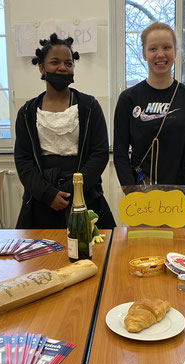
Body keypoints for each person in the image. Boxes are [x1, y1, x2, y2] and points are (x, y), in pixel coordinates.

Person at [14, 33, 116, 229]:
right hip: (41, 200)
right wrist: (48, 194)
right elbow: (23, 160)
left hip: (84, 195)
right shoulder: (27, 112)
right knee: (42, 256)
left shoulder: (90, 106)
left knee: (90, 253)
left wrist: (72, 190)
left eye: (68, 63)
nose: (62, 67)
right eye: (55, 62)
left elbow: (99, 154)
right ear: (42, 67)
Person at [113, 22, 185, 200]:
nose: (160, 54)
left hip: (179, 196)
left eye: (167, 47)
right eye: (153, 48)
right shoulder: (128, 99)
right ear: (144, 53)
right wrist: (131, 192)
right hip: (140, 196)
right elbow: (120, 153)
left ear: (176, 51)